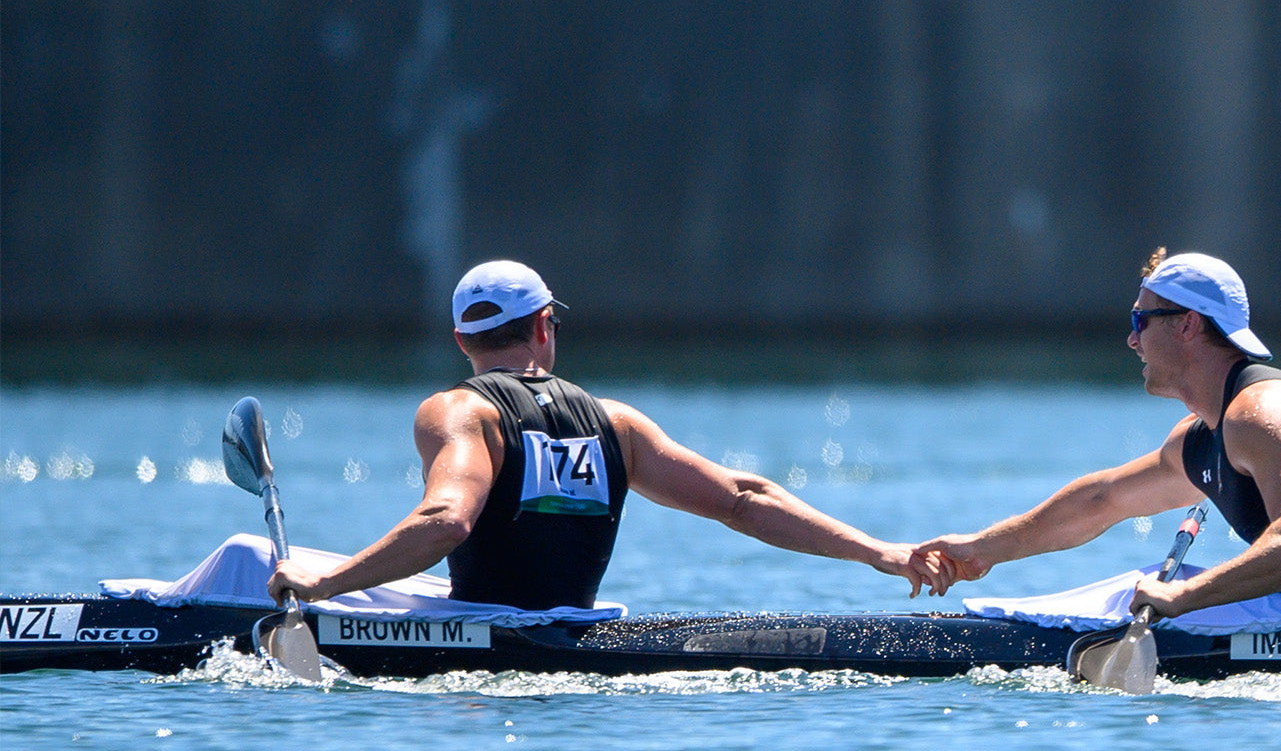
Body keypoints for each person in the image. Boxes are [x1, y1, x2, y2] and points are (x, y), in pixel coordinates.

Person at [269, 260, 945, 610]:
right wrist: (877, 551)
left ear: (461, 340)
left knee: (251, 555)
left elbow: (448, 522)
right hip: (573, 635)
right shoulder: (616, 425)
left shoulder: (460, 411)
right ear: (543, 327)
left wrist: (326, 585)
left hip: (484, 648)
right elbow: (742, 497)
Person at [911, 248, 1281, 619]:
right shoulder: (1202, 436)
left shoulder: (1265, 410)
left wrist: (1184, 599)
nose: (1130, 339)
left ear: (1186, 324)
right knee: (1135, 584)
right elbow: (1102, 499)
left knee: (1142, 593)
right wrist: (982, 549)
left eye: (1140, 320)